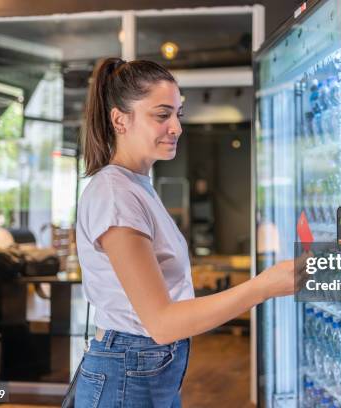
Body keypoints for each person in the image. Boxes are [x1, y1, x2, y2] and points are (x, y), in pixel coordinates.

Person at [75, 58, 300, 408]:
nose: (177, 127)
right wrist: (263, 287)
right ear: (120, 119)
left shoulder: (136, 186)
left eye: (178, 113)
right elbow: (162, 323)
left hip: (141, 369)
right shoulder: (115, 195)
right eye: (162, 115)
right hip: (129, 373)